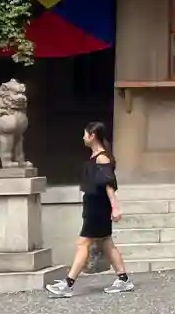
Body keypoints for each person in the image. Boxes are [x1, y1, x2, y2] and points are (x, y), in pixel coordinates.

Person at [46, 121, 133, 296]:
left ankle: (68, 283)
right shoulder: (96, 156)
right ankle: (123, 279)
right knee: (106, 243)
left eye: (85, 134)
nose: (83, 138)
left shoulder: (102, 158)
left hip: (98, 208)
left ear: (92, 136)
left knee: (82, 243)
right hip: (94, 205)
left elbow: (109, 185)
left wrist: (115, 208)